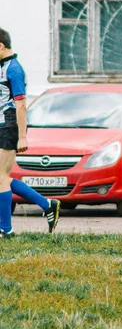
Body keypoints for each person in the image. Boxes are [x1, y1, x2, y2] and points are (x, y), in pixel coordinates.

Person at [0, 28, 60, 238]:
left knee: (1, 177)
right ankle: (47, 205)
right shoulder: (2, 66)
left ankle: (6, 230)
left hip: (7, 126)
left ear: (1, 46)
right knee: (2, 177)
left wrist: (22, 135)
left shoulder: (14, 69)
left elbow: (21, 105)